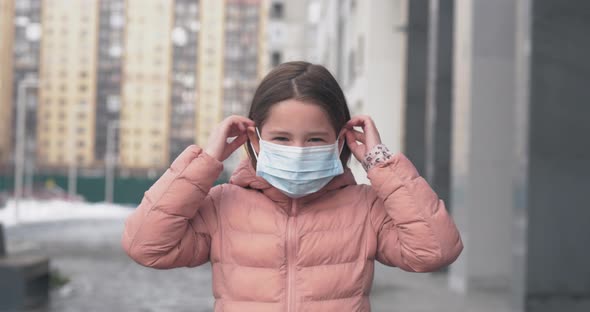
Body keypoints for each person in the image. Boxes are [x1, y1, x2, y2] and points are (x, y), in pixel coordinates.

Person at [122, 61, 463, 311]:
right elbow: (146, 246)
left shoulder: (366, 208)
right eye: (282, 138)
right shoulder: (222, 206)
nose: (298, 151)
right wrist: (205, 162)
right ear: (254, 138)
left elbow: (434, 251)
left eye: (315, 138)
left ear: (340, 140)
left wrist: (380, 162)